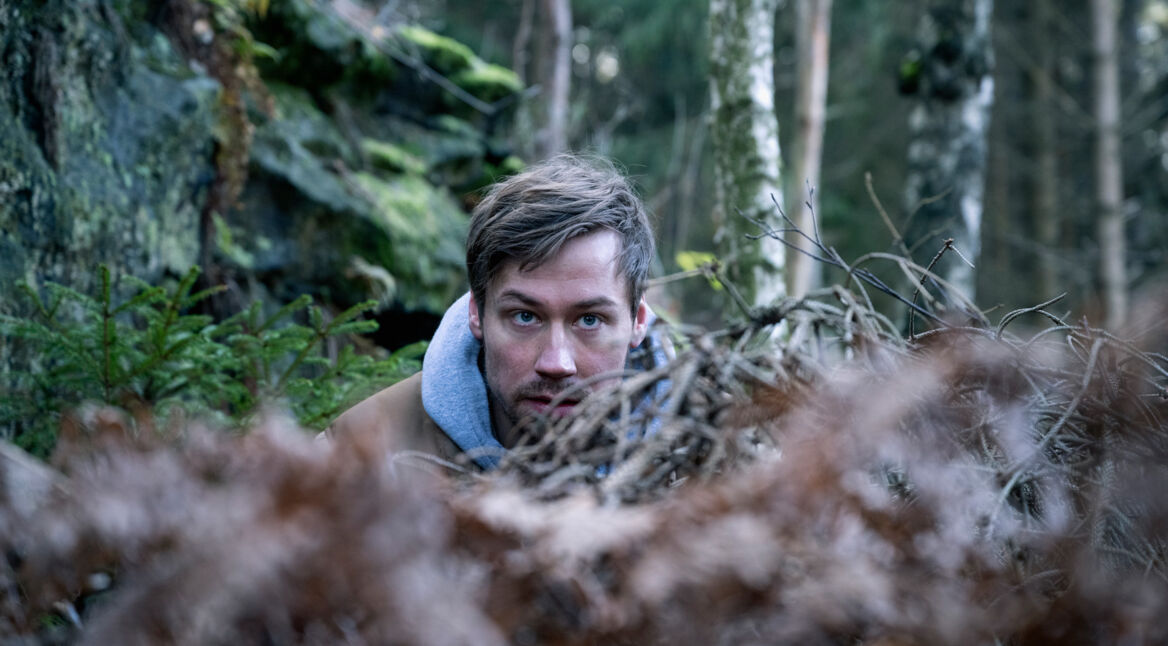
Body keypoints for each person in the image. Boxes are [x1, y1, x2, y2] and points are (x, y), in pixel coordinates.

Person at [328, 154, 668, 470]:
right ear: (477, 313)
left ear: (637, 322)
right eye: (525, 316)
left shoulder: (710, 458)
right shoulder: (360, 455)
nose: (556, 363)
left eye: (589, 320)